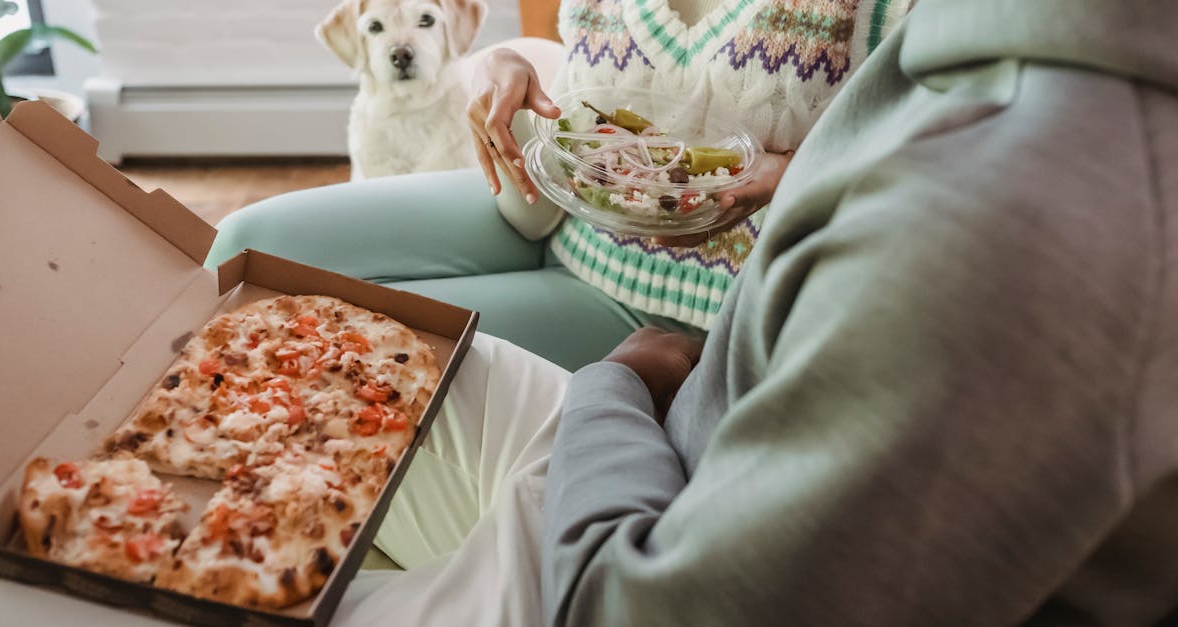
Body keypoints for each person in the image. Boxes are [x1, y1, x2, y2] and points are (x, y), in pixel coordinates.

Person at [328, 0, 1178, 625]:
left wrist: (612, 385)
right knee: (310, 367)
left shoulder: (1000, 225)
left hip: (644, 485)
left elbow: (627, 606)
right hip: (654, 443)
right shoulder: (974, 47)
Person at [206, 0, 911, 370]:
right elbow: (590, 77)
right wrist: (502, 59)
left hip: (669, 308)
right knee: (247, 244)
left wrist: (799, 173)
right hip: (544, 212)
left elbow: (946, 157)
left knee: (335, 343)